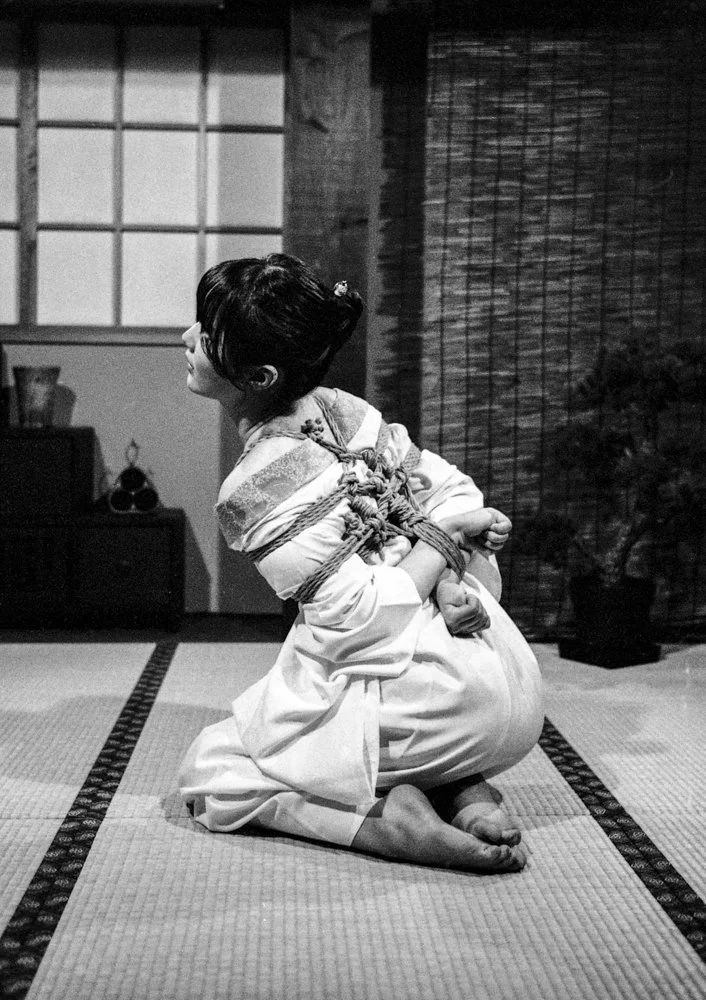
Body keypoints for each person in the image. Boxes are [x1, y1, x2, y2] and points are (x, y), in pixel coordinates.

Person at [178, 253, 544, 873]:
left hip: (434, 698)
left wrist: (443, 541)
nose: (186, 338)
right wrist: (448, 554)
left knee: (213, 770)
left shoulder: (254, 488)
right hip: (505, 677)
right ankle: (459, 788)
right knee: (294, 711)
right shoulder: (343, 409)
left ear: (260, 375)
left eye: (205, 335)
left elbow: (360, 624)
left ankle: (381, 827)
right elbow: (452, 492)